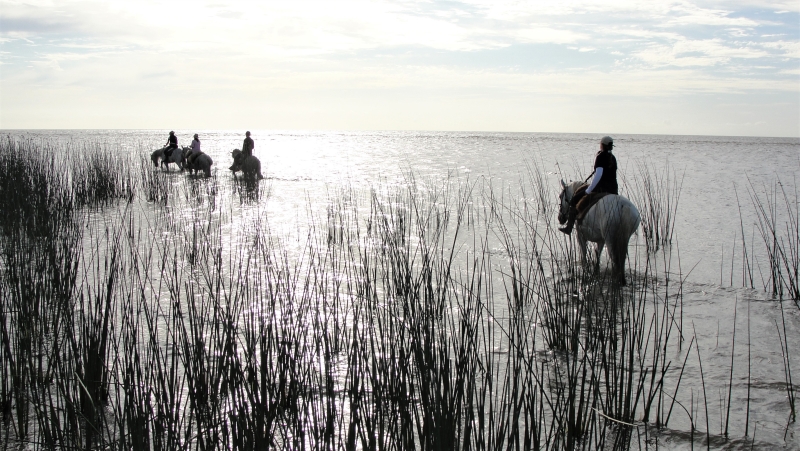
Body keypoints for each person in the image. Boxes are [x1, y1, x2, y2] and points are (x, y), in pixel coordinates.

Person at [559, 135, 618, 235]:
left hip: (601, 189)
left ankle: (569, 228)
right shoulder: (613, 158)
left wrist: (589, 189)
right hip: (613, 190)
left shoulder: (600, 157)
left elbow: (599, 175)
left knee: (574, 200)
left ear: (602, 145)